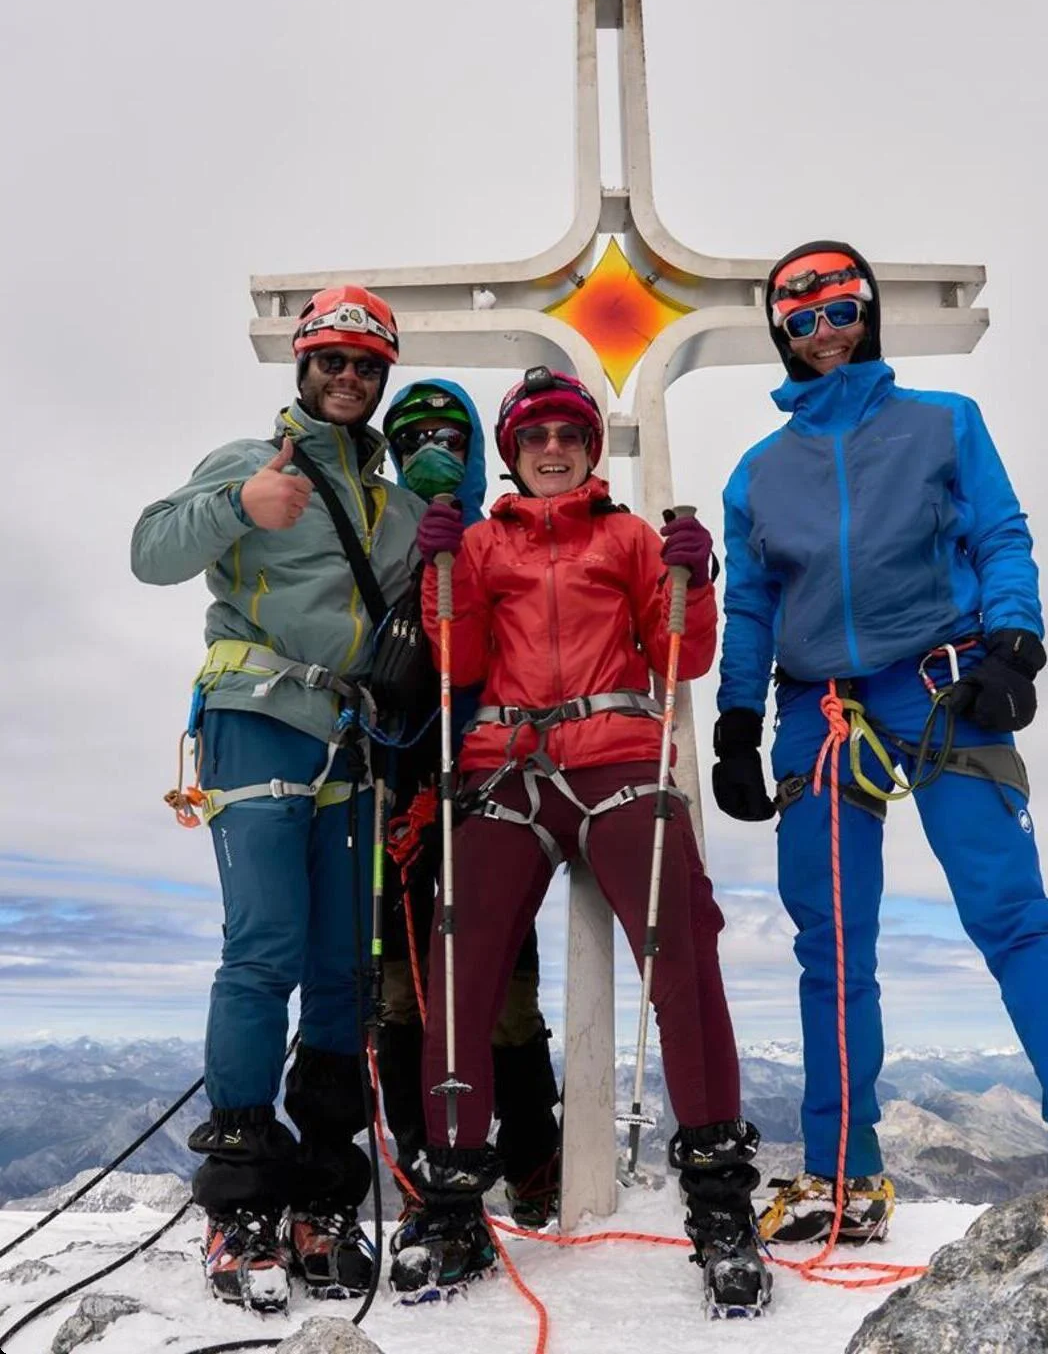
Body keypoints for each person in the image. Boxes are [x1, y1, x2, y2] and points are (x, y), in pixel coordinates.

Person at [713, 241, 1048, 1245]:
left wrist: (1017, 641)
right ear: (782, 332)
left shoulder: (945, 424)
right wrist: (735, 720)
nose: (827, 332)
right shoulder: (759, 473)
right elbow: (749, 603)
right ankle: (842, 1173)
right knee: (832, 945)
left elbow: (1001, 534)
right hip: (818, 707)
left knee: (1015, 915)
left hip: (947, 686)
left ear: (869, 310)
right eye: (803, 319)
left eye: (842, 309)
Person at [391, 366, 772, 1316]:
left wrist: (695, 576)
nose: (552, 447)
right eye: (534, 437)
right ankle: (451, 1205)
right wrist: (441, 575)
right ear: (513, 454)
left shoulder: (630, 537)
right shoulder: (479, 544)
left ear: (589, 450)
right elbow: (460, 660)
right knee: (459, 959)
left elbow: (681, 652)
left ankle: (721, 1203)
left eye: (568, 433)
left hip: (614, 754)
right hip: (505, 759)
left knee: (681, 946)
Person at [131, 285, 425, 1310]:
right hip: (255, 713)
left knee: (343, 966)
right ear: (302, 365)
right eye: (332, 360)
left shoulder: (396, 505)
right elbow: (150, 550)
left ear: (382, 376)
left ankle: (324, 1192)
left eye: (366, 365)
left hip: (351, 736)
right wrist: (235, 508)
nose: (348, 377)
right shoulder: (250, 464)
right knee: (262, 951)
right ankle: (243, 1197)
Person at [373, 378, 562, 1257]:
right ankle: (424, 1166)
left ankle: (533, 1160)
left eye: (450, 432)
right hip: (403, 781)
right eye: (411, 436)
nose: (432, 449)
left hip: (491, 777)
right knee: (403, 985)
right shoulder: (374, 538)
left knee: (504, 989)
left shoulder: (505, 537)